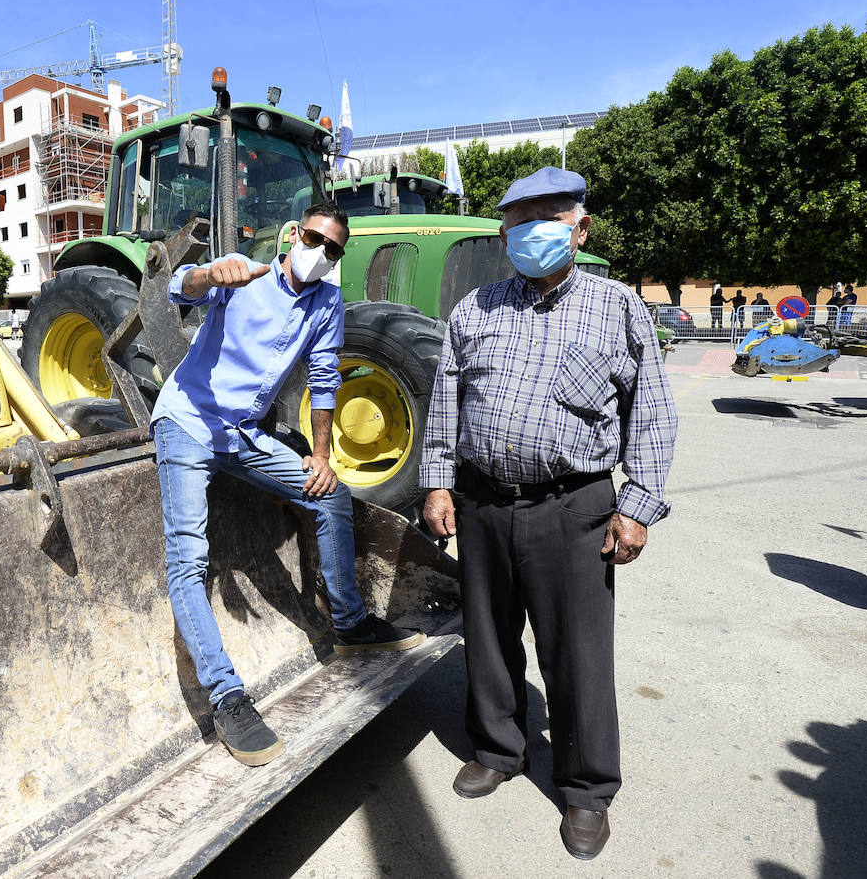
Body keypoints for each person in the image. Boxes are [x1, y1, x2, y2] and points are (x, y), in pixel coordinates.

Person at [420, 167, 678, 860]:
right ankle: (498, 749)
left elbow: (652, 414)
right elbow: (445, 403)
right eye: (519, 220)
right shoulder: (475, 309)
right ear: (504, 232)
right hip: (481, 500)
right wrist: (438, 485)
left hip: (572, 506)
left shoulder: (618, 307)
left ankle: (587, 788)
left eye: (548, 218)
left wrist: (637, 506)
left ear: (580, 229)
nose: (531, 231)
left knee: (577, 654)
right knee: (488, 637)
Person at [151, 202, 425, 768]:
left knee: (331, 494)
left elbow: (324, 380)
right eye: (315, 240)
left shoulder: (327, 304)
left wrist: (321, 456)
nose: (322, 253)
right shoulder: (241, 274)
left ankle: (349, 623)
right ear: (294, 235)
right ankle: (226, 696)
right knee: (188, 559)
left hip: (242, 434)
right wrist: (207, 275)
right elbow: (178, 288)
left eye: (334, 249)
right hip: (187, 423)